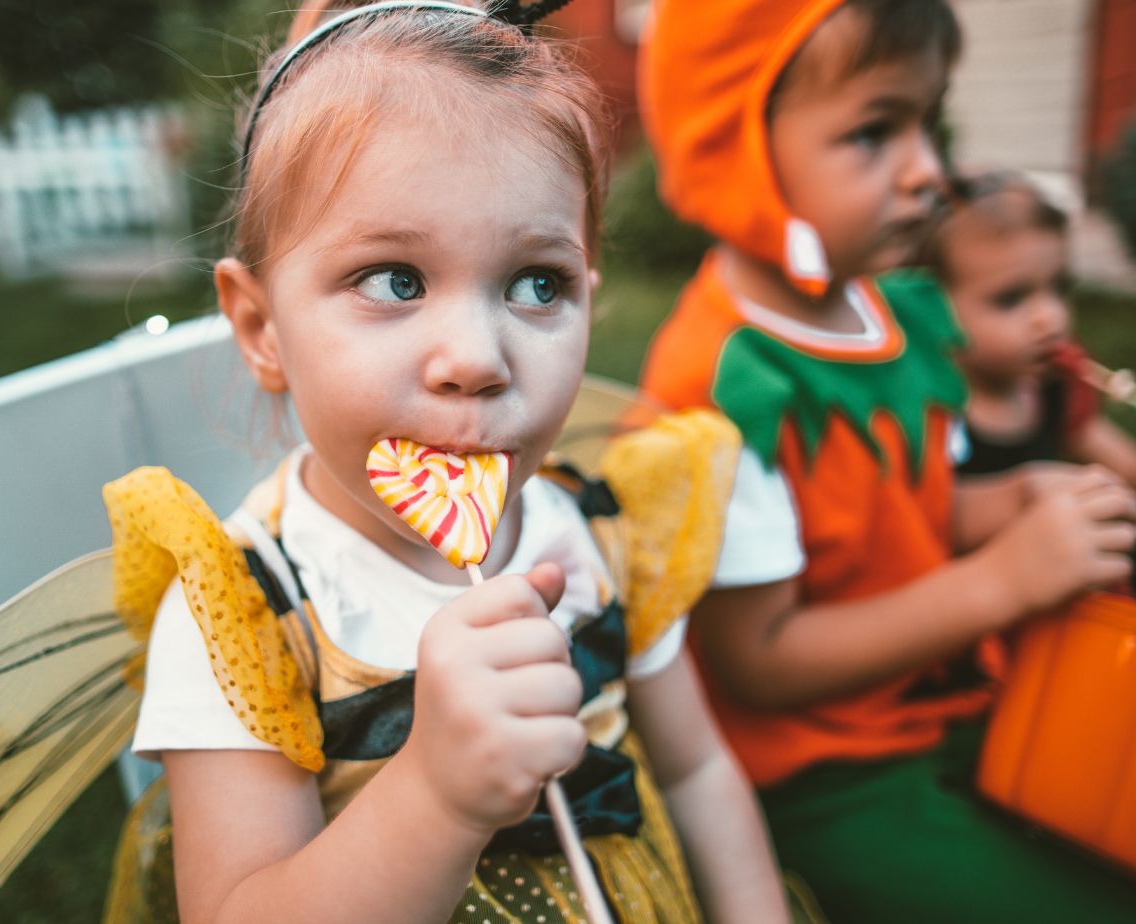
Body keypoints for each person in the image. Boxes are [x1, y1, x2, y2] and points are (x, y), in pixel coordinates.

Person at [98, 3, 802, 922]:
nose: (477, 356)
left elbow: (699, 770)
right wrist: (435, 792)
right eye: (395, 280)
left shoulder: (601, 535)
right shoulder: (249, 614)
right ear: (261, 328)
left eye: (535, 284)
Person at [635, 0, 1136, 920]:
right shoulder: (732, 385)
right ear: (735, 146)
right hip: (830, 779)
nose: (928, 173)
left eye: (925, 123)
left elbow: (910, 510)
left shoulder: (893, 314)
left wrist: (1018, 495)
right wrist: (1001, 585)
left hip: (952, 700)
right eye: (872, 133)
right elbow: (761, 661)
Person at [923, 170, 1136, 513]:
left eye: (1059, 288)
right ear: (927, 306)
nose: (1049, 317)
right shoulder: (926, 407)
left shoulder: (1052, 390)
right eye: (1011, 298)